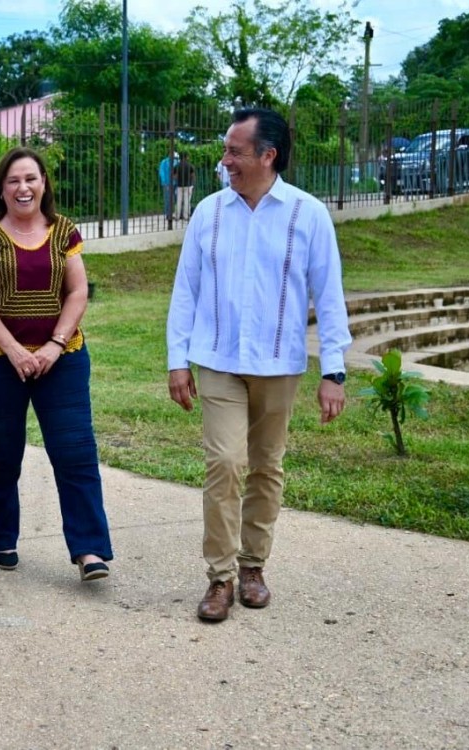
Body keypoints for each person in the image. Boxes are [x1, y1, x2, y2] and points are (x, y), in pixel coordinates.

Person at [166, 108, 352, 623]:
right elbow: (186, 291)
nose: (224, 160)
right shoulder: (209, 212)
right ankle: (220, 577)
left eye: (234, 152)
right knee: (225, 463)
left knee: (267, 466)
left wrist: (333, 372)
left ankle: (253, 566)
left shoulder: (307, 214)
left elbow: (329, 295)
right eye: (226, 150)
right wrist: (176, 360)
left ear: (268, 156)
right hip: (218, 358)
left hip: (279, 362)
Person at [0, 147, 113, 581]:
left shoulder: (64, 230)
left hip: (60, 360)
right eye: (13, 181)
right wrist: (13, 350)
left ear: (44, 183)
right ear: (2, 188)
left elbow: (78, 291)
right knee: (0, 452)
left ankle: (89, 550)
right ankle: (0, 536)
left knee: (75, 452)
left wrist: (52, 345)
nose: (23, 188)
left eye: (30, 179)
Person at [158, 151, 179, 221]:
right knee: (167, 199)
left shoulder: (177, 162)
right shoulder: (164, 162)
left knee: (174, 199)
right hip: (167, 183)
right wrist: (164, 182)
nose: (175, 158)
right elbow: (161, 172)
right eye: (174, 157)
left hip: (175, 183)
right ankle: (168, 214)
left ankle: (172, 213)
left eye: (176, 157)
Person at [176, 153, 196, 220]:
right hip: (188, 185)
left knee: (179, 201)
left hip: (179, 185)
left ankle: (177, 216)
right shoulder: (190, 165)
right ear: (186, 157)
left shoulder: (177, 165)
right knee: (187, 201)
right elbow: (193, 175)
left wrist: (178, 179)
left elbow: (174, 176)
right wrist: (192, 183)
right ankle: (186, 216)